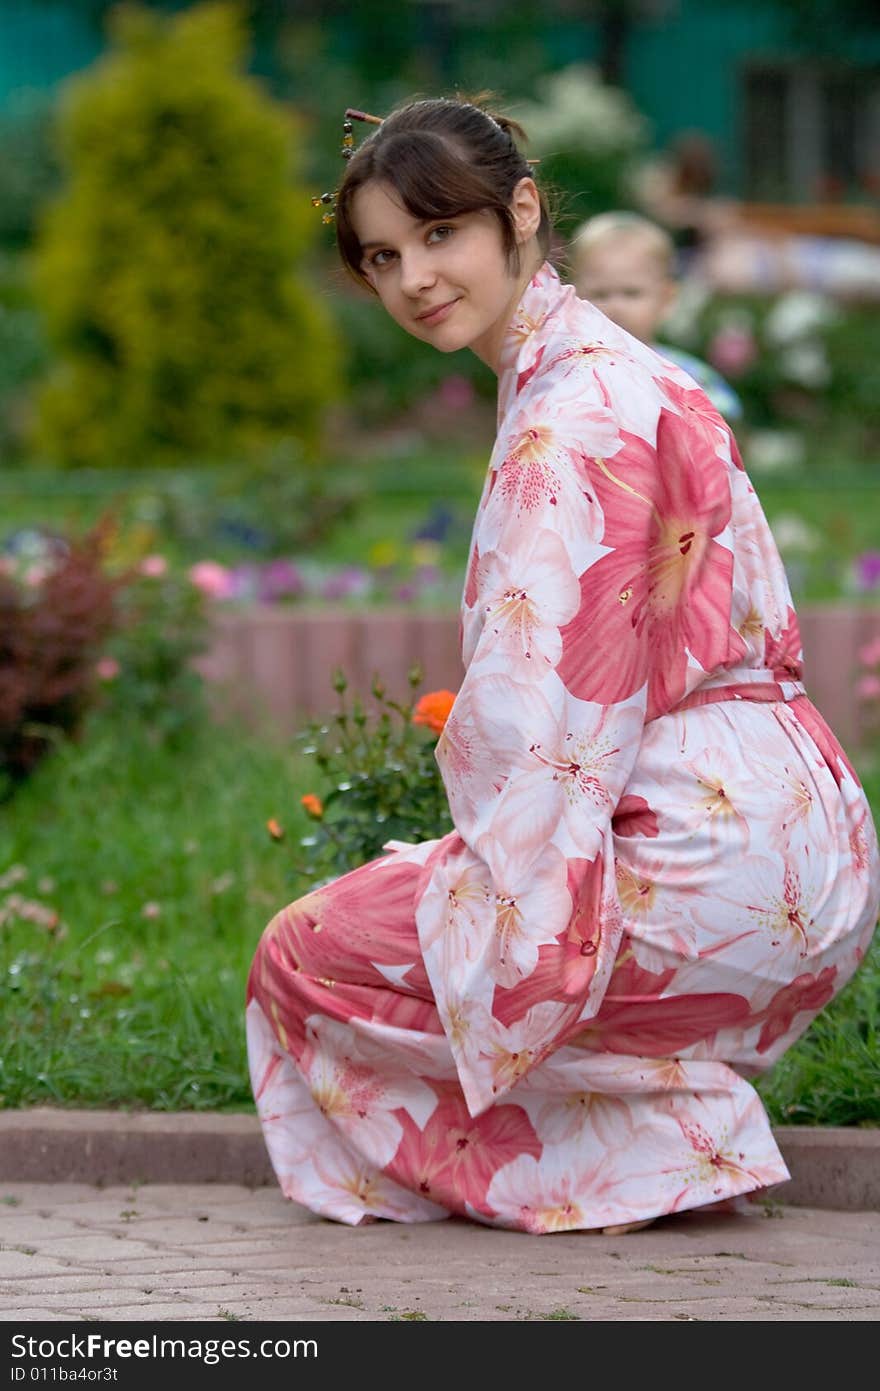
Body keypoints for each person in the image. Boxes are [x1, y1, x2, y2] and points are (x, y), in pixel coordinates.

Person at [246, 97, 880, 1235]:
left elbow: (539, 717)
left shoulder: (567, 414)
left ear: (520, 211)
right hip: (805, 851)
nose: (414, 279)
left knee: (307, 952)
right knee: (422, 905)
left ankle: (669, 1145)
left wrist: (477, 890)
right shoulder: (622, 368)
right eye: (383, 256)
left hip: (699, 860)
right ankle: (670, 1109)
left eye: (441, 235)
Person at [570, 210, 743, 421]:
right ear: (574, 296)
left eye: (631, 293)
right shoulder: (567, 372)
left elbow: (725, 421)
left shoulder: (687, 376)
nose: (615, 306)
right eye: (600, 294)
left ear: (666, 298)